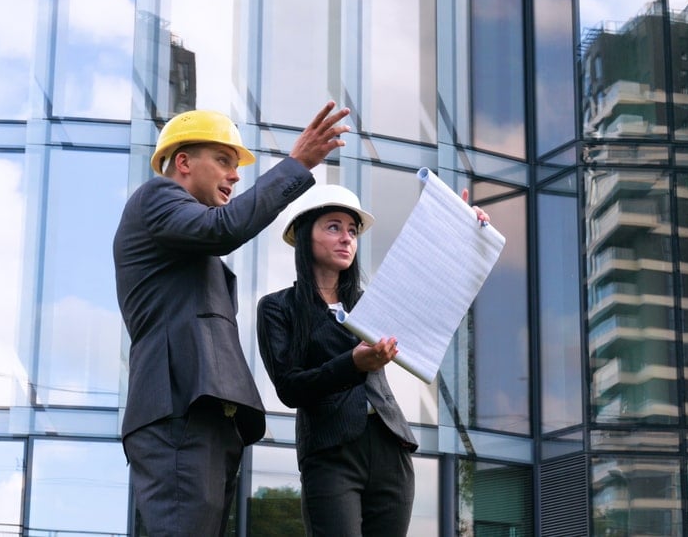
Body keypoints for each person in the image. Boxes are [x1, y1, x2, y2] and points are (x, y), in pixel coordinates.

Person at [113, 101, 351, 536]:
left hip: (203, 415)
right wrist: (297, 164)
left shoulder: (185, 243)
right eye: (224, 160)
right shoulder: (156, 197)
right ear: (183, 162)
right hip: (178, 410)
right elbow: (224, 229)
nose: (235, 174)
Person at [256, 184, 489, 536]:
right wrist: (352, 363)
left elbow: (429, 295)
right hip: (331, 451)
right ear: (305, 235)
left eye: (352, 231)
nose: (346, 238)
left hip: (389, 448)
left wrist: (461, 232)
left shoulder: (372, 302)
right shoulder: (278, 307)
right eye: (333, 227)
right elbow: (289, 388)